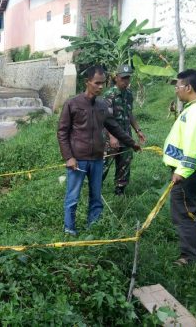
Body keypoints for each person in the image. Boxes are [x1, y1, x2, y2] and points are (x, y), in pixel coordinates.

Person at [57, 65, 141, 235]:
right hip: (78, 160)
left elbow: (115, 127)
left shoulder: (102, 105)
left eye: (103, 83)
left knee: (96, 197)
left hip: (96, 159)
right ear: (87, 82)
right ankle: (69, 229)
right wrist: (69, 157)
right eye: (97, 83)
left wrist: (131, 143)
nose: (101, 87)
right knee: (73, 197)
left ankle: (93, 228)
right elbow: (62, 132)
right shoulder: (72, 104)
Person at [163, 69, 196, 265]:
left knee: (184, 211)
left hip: (190, 170)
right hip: (195, 168)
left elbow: (193, 145)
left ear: (188, 87)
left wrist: (182, 171)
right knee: (194, 207)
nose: (176, 90)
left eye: (178, 86)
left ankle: (190, 255)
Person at [102, 64, 146, 196]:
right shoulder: (110, 95)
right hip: (111, 137)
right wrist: (112, 136)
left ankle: (119, 190)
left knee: (124, 163)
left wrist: (138, 130)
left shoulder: (128, 94)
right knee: (104, 163)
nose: (126, 81)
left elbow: (129, 114)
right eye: (123, 78)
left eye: (128, 78)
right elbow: (104, 118)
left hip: (126, 136)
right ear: (116, 78)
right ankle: (95, 187)